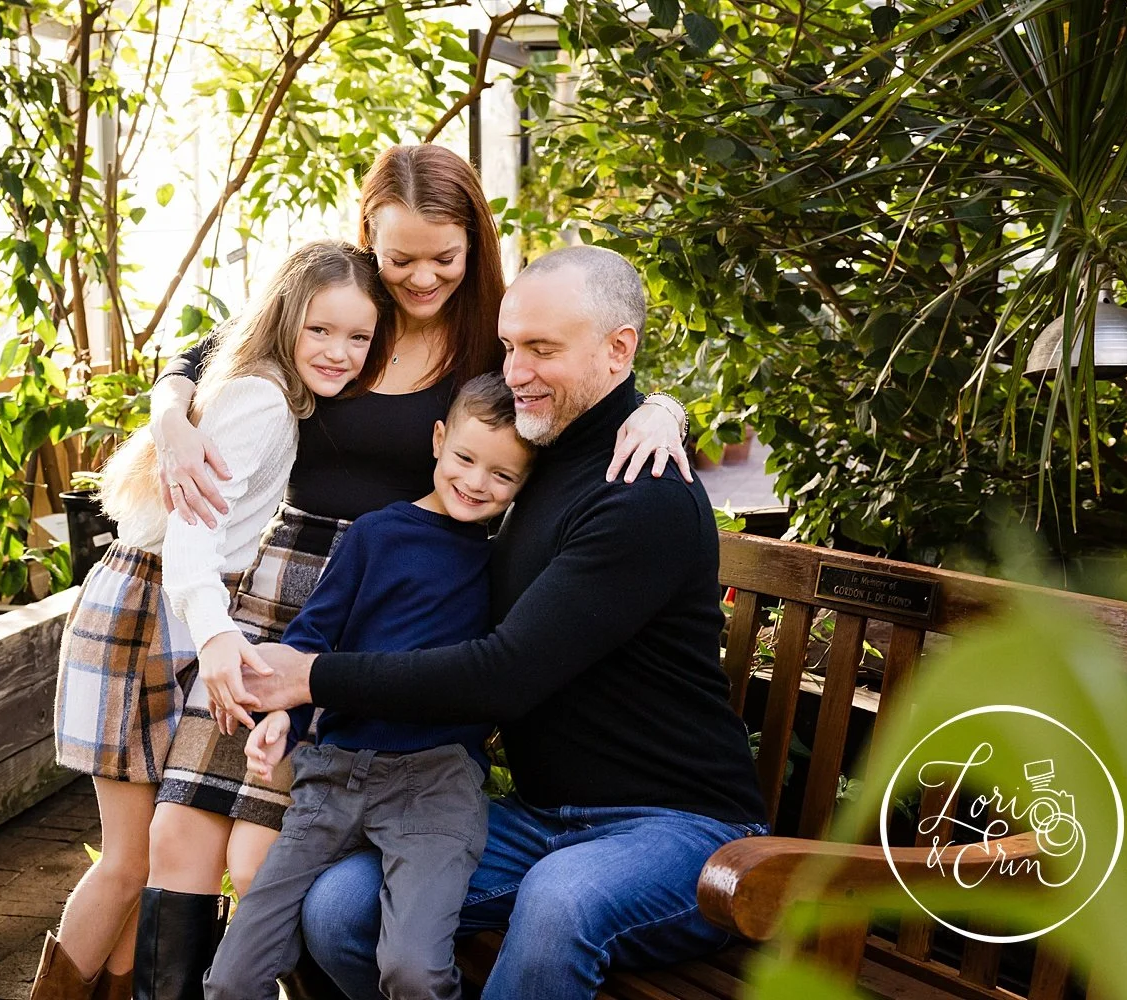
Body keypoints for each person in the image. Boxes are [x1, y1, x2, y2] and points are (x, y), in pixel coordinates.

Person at [147, 144, 689, 1000]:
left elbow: (589, 384)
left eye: (445, 257)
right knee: (185, 831)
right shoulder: (353, 306)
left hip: (409, 611)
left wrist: (666, 408)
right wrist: (170, 411)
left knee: (273, 859)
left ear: (476, 245)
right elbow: (223, 342)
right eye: (402, 258)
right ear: (370, 240)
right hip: (298, 582)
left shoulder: (493, 345)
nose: (423, 277)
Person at [242, 246, 771, 1000]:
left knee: (562, 901)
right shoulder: (536, 451)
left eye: (542, 350)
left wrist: (311, 676)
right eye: (510, 346)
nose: (516, 369)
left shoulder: (641, 494)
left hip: (680, 831)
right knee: (339, 910)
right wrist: (663, 405)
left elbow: (505, 675)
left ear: (619, 349)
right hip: (541, 819)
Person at [36, 241, 391, 1000]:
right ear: (287, 317)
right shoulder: (261, 398)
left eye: (358, 337)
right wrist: (219, 632)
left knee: (147, 861)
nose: (339, 352)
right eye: (321, 331)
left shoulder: (265, 384)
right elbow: (192, 533)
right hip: (152, 609)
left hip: (174, 606)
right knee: (129, 860)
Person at [203, 373, 536, 1000]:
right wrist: (286, 719)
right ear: (439, 441)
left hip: (436, 784)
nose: (475, 482)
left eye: (503, 476)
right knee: (233, 976)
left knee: (411, 967)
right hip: (335, 776)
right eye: (466, 458)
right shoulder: (376, 534)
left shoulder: (504, 562)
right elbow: (313, 635)